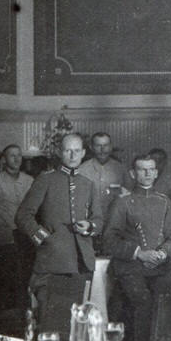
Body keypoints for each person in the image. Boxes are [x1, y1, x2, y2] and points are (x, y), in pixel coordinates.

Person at [16, 134, 102, 321]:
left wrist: (89, 226)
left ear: (83, 153)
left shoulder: (88, 184)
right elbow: (23, 216)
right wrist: (44, 238)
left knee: (76, 323)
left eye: (77, 151)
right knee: (51, 322)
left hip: (81, 265)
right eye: (67, 150)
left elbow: (98, 220)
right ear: (59, 153)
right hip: (52, 263)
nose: (72, 155)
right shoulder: (45, 180)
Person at [103, 154, 171, 341]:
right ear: (133, 173)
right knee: (143, 303)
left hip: (160, 267)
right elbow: (109, 239)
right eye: (142, 169)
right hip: (131, 268)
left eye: (151, 169)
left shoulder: (164, 202)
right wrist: (139, 253)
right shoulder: (123, 202)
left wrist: (163, 253)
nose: (147, 173)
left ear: (156, 173)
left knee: (167, 304)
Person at [0, 145, 34, 311]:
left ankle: (26, 314)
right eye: (12, 156)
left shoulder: (30, 181)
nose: (17, 159)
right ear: (4, 160)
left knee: (26, 280)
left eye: (19, 155)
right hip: (5, 241)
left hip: (26, 240)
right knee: (7, 283)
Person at [77, 131, 126, 219]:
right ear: (91, 147)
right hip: (90, 220)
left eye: (106, 145)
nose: (102, 149)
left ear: (111, 147)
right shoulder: (82, 170)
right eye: (98, 145)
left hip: (115, 220)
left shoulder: (121, 169)